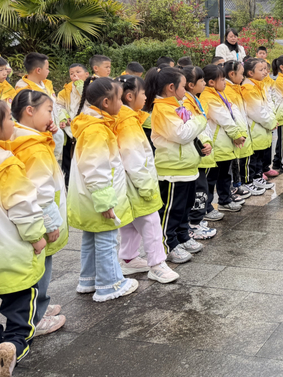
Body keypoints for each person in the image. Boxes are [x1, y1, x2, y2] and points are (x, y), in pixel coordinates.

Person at [0, 96, 47, 377]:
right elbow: (24, 208)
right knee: (21, 302)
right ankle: (14, 344)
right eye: (9, 118)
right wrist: (37, 238)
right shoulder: (6, 164)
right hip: (7, 253)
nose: (14, 123)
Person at [68, 77, 138, 302]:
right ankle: (110, 283)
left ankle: (89, 279)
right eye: (119, 98)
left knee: (91, 238)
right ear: (106, 102)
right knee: (107, 239)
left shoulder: (91, 124)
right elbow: (96, 167)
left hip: (88, 199)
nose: (122, 103)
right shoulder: (97, 130)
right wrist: (105, 202)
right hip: (100, 198)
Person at [9, 91, 67, 338]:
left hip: (33, 216)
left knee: (39, 264)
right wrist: (51, 223)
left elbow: (55, 153)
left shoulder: (22, 136)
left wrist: (53, 134)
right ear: (29, 111)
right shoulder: (33, 147)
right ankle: (36, 316)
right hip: (41, 217)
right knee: (39, 266)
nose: (51, 116)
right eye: (48, 110)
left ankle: (39, 305)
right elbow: (40, 189)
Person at [114, 76, 180, 284]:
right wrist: (146, 187)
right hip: (137, 184)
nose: (146, 97)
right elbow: (133, 158)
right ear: (130, 96)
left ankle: (128, 258)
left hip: (127, 183)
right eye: (143, 93)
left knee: (131, 223)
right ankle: (157, 264)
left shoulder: (126, 118)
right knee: (151, 222)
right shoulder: (127, 123)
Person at [144, 68, 207, 264]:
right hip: (172, 170)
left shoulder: (178, 106)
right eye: (182, 86)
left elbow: (192, 132)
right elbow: (181, 134)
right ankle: (168, 244)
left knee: (184, 208)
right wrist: (201, 119)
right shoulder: (162, 109)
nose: (185, 89)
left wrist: (204, 142)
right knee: (171, 210)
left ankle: (182, 236)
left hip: (187, 167)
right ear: (171, 88)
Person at [199, 64, 247, 212]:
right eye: (222, 79)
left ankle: (225, 200)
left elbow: (233, 114)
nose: (225, 82)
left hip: (225, 143)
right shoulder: (208, 96)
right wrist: (237, 135)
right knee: (211, 179)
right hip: (217, 144)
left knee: (225, 175)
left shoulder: (219, 93)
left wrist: (239, 133)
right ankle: (207, 208)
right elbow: (224, 118)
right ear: (211, 82)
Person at [180, 66, 223, 232]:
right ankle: (194, 223)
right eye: (202, 81)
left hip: (202, 150)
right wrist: (203, 144)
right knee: (199, 190)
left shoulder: (194, 99)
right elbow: (192, 127)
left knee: (202, 188)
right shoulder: (186, 102)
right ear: (191, 84)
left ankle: (196, 221)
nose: (205, 83)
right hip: (196, 153)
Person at [13, 53, 64, 160]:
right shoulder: (24, 90)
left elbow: (56, 105)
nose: (49, 71)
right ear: (38, 70)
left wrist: (63, 118)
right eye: (47, 68)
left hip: (53, 130)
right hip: (37, 134)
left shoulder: (46, 85)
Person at [223, 60, 258, 197]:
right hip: (235, 133)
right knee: (233, 163)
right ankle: (235, 186)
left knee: (237, 162)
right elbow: (232, 115)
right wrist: (238, 132)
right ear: (232, 74)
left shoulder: (235, 88)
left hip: (240, 130)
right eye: (241, 74)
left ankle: (237, 184)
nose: (243, 77)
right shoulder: (228, 91)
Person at [241, 59, 276, 191]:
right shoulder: (249, 88)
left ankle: (257, 177)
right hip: (255, 127)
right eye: (261, 70)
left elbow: (268, 104)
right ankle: (250, 180)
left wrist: (272, 119)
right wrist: (271, 122)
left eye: (265, 69)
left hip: (263, 128)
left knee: (261, 155)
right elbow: (256, 111)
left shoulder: (260, 85)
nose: (265, 72)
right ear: (250, 73)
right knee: (253, 157)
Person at [55, 64, 88, 184]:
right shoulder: (64, 91)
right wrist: (64, 117)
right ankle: (68, 184)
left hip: (86, 129)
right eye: (72, 73)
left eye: (78, 72)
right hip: (69, 131)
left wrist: (81, 87)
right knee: (68, 159)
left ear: (86, 74)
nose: (75, 76)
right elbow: (59, 105)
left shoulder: (92, 88)